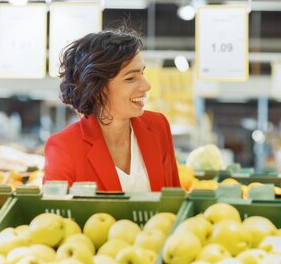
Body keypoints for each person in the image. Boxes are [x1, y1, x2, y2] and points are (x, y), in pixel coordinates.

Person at [43, 29, 180, 192]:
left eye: (142, 73)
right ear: (96, 88)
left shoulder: (158, 126)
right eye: (130, 78)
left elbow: (175, 201)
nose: (146, 86)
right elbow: (56, 215)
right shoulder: (64, 148)